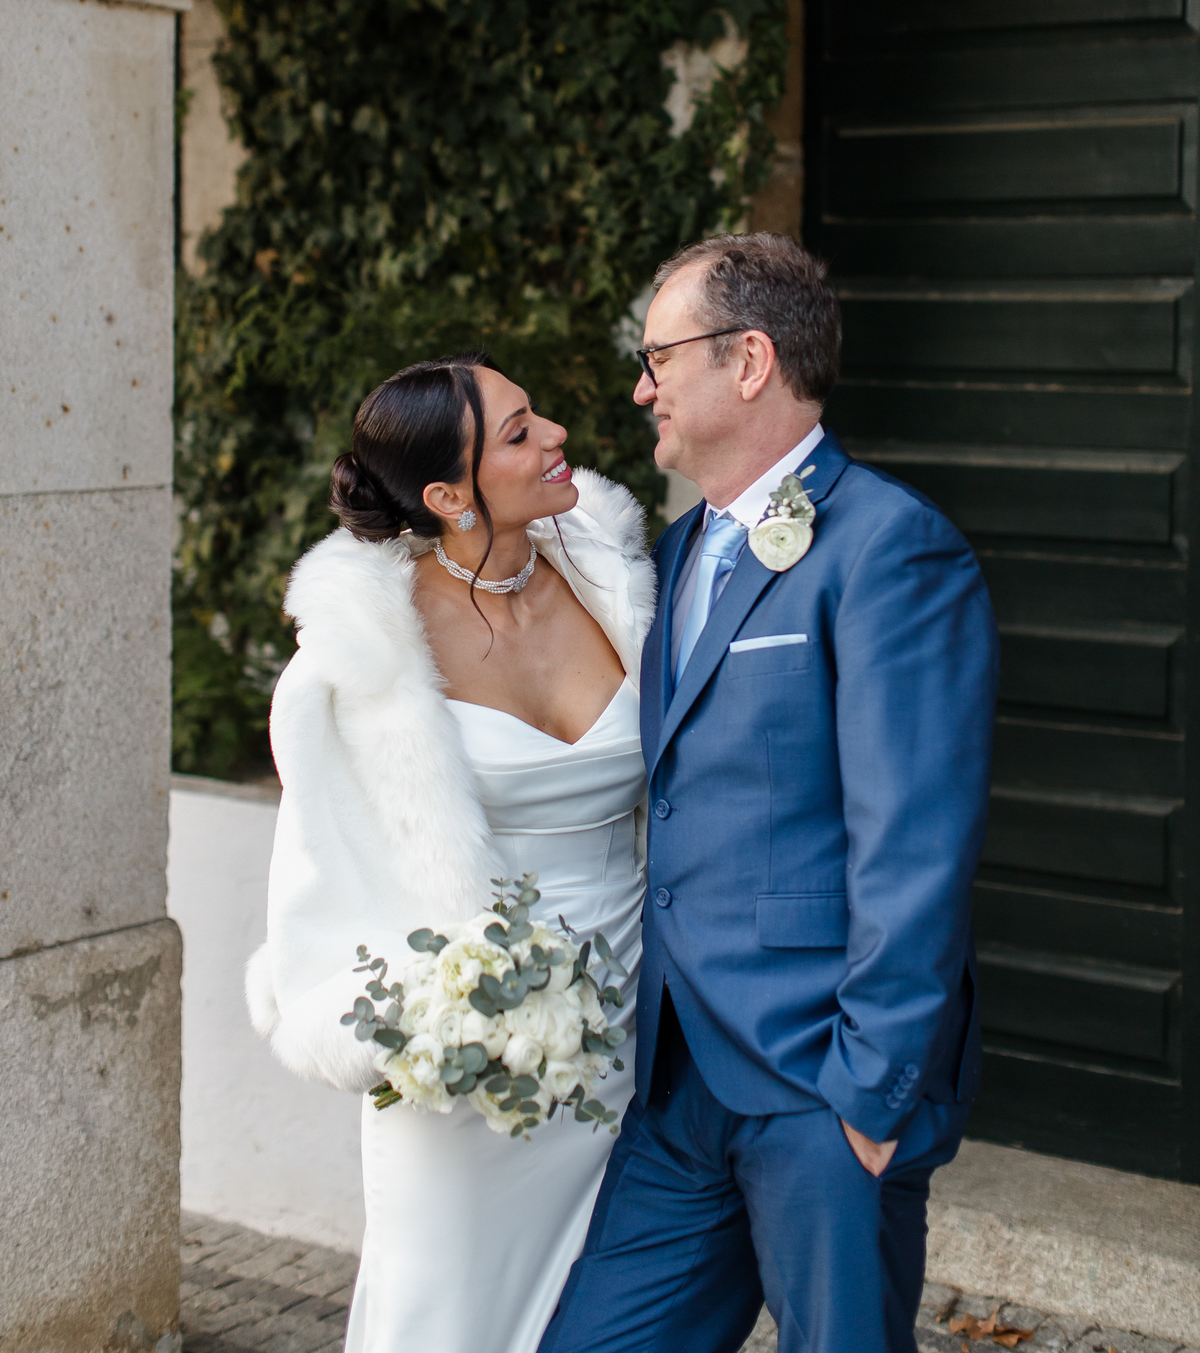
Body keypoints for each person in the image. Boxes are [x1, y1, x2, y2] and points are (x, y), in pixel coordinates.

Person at [539, 234, 999, 1353]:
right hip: (679, 1080)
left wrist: (870, 1095)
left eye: (658, 358)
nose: (641, 388)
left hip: (818, 1082)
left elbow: (914, 841)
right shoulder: (676, 551)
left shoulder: (892, 550)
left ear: (748, 361)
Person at [245, 352, 655, 1353]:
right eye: (519, 432)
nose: (556, 435)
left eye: (535, 414)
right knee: (447, 1317)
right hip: (473, 1056)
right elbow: (323, 869)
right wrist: (422, 1016)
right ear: (448, 496)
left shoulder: (615, 578)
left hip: (634, 1027)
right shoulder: (362, 662)